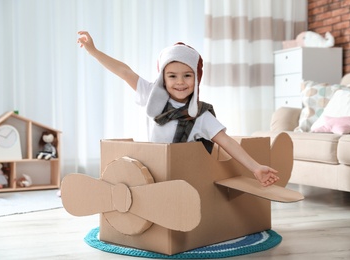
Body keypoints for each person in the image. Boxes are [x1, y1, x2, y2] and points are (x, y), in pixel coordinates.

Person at [77, 31, 279, 187]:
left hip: (183, 178)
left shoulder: (201, 115)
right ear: (163, 78)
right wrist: (93, 50)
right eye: (172, 75)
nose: (180, 82)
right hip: (152, 171)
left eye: (187, 75)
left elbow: (227, 142)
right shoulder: (151, 95)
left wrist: (255, 167)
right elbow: (123, 71)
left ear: (196, 79)